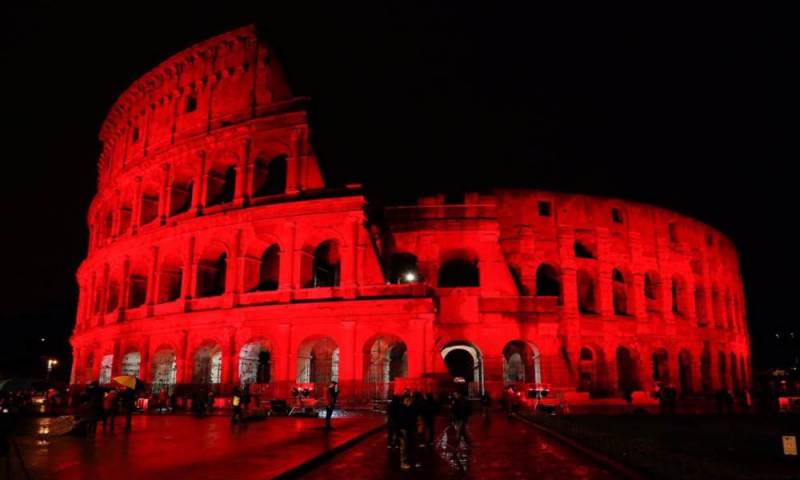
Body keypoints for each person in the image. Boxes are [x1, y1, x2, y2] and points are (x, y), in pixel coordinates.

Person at [398, 394, 420, 470]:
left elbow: (414, 417)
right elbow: (400, 420)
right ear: (404, 401)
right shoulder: (402, 409)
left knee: (411, 446)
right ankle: (403, 462)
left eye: (409, 400)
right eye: (407, 400)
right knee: (404, 447)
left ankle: (411, 461)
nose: (409, 402)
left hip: (411, 429)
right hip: (404, 430)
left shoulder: (412, 408)